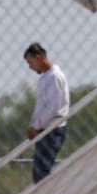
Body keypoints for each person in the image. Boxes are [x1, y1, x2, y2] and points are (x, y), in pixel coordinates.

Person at [24, 42, 72, 183]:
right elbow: (42, 107)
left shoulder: (54, 76)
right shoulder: (45, 78)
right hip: (45, 129)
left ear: (38, 57)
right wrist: (34, 125)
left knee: (42, 174)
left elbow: (53, 106)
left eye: (30, 62)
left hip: (52, 129)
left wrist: (36, 126)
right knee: (39, 173)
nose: (30, 67)